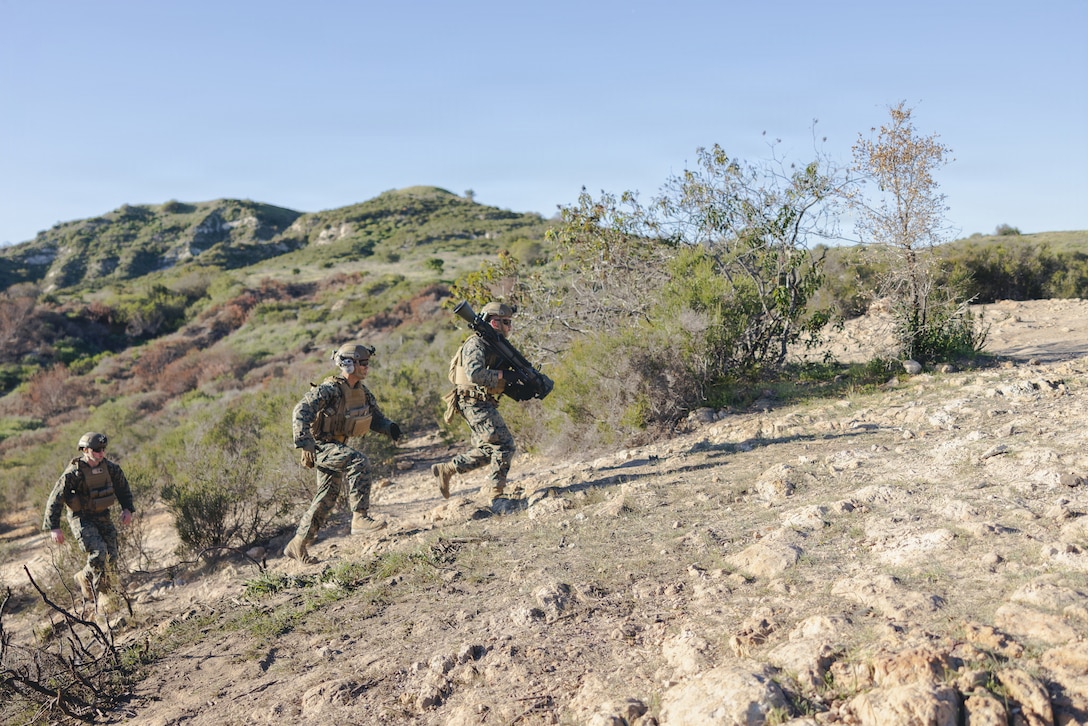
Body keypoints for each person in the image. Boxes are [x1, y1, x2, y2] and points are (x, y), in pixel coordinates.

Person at [285, 342, 403, 563]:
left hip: (337, 446)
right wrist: (304, 442)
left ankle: (297, 545)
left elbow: (374, 417)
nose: (367, 368)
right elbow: (300, 410)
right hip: (321, 446)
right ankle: (360, 518)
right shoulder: (330, 389)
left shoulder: (361, 391)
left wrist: (389, 428)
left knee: (326, 499)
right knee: (359, 462)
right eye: (363, 363)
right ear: (348, 364)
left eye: (368, 363)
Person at [433, 301, 522, 507]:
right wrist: (504, 374)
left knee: (489, 449)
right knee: (504, 445)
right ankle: (496, 494)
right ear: (494, 322)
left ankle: (446, 469)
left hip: (480, 401)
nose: (510, 326)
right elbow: (475, 374)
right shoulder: (476, 344)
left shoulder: (493, 345)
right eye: (506, 322)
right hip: (473, 401)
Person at [43, 431, 135, 615]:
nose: (101, 453)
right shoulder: (74, 473)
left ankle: (84, 576)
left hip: (103, 515)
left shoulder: (110, 468)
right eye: (96, 450)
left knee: (113, 555)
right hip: (81, 518)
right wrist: (54, 527)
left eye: (103, 449)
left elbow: (123, 489)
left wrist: (127, 509)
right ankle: (105, 596)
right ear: (85, 450)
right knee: (99, 552)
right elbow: (55, 499)